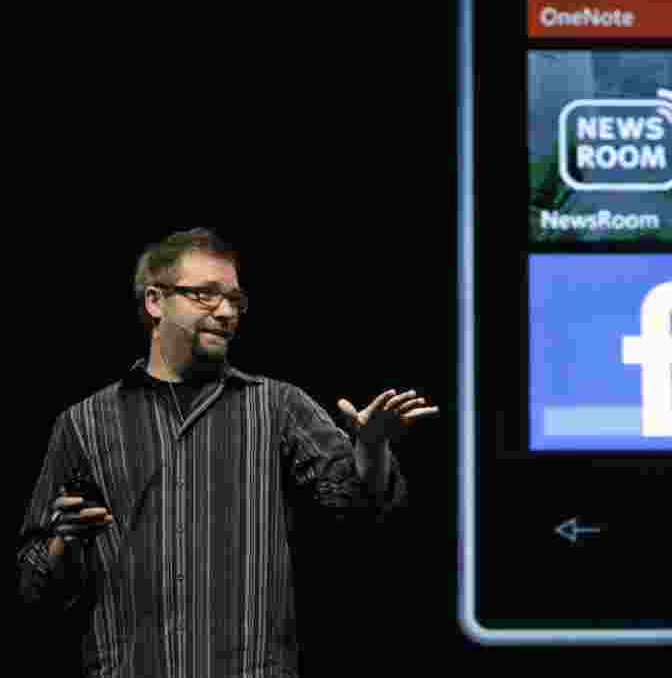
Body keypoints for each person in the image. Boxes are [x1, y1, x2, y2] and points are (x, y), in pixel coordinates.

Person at [15, 228, 438, 677]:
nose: (225, 311)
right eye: (205, 295)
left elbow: (361, 513)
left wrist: (370, 446)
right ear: (155, 301)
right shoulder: (83, 423)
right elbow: (32, 585)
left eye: (235, 300)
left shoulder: (278, 406)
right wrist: (64, 543)